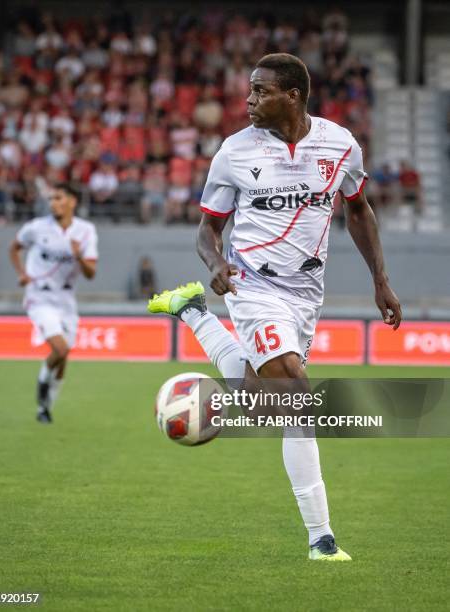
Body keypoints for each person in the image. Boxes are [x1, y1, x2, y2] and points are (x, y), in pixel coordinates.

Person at [148, 53, 402, 561]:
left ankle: (193, 312)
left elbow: (359, 210)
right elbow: (208, 228)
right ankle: (321, 539)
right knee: (296, 402)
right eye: (249, 90)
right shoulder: (234, 153)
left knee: (260, 397)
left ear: (293, 95)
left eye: (260, 92)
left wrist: (380, 279)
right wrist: (216, 262)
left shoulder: (340, 144)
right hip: (253, 288)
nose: (249, 101)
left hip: (306, 295)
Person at [9, 183, 98, 423]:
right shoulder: (37, 228)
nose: (53, 203)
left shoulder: (85, 231)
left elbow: (91, 273)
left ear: (72, 201)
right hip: (39, 298)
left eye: (58, 198)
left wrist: (78, 255)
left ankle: (45, 408)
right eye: (51, 199)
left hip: (66, 301)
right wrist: (21, 273)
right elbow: (14, 248)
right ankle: (41, 392)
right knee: (60, 349)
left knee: (63, 359)